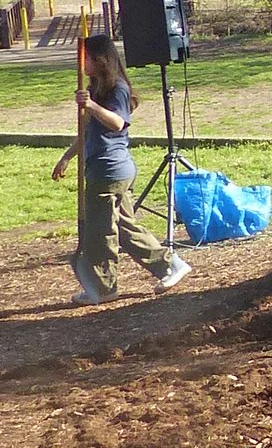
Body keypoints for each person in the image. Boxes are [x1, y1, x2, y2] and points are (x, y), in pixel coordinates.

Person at [51, 32, 189, 303]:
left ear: (100, 59)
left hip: (110, 171)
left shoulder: (117, 90)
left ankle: (104, 287)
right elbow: (87, 130)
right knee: (125, 229)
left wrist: (89, 105)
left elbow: (116, 123)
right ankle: (170, 265)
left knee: (100, 232)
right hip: (106, 169)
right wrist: (67, 156)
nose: (83, 65)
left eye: (86, 58)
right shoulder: (95, 89)